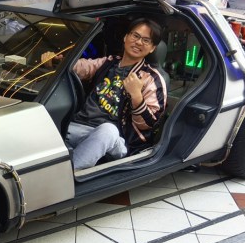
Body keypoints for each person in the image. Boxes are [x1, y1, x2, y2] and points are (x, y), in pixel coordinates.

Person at [44, 18, 167, 170]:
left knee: (108, 130)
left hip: (117, 139)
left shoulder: (151, 79)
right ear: (125, 37)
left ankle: (67, 174)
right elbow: (83, 67)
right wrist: (57, 61)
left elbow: (149, 124)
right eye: (135, 36)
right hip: (78, 126)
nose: (138, 42)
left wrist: (136, 96)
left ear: (152, 48)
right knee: (45, 123)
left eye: (146, 40)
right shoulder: (108, 62)